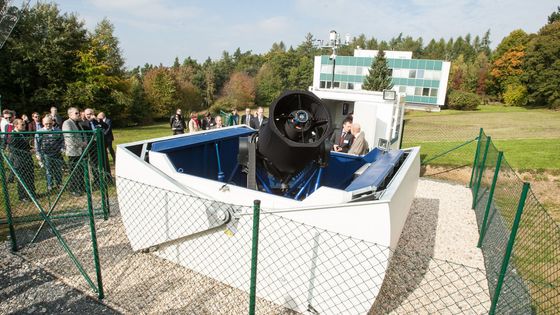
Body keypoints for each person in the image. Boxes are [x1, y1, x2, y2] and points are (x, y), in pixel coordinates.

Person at [9, 119, 36, 201]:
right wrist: (28, 151)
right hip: (19, 160)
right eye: (22, 125)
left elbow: (27, 145)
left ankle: (32, 193)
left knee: (30, 176)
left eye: (24, 124)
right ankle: (23, 196)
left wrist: (31, 149)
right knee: (22, 179)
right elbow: (13, 150)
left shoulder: (24, 133)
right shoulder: (13, 135)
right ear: (16, 125)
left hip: (28, 159)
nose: (24, 126)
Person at [36, 116, 64, 191]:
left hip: (57, 153)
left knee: (58, 169)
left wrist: (62, 148)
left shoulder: (58, 130)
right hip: (46, 154)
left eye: (50, 123)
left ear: (53, 123)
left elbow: (62, 141)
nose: (48, 125)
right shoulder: (39, 132)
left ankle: (59, 184)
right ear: (43, 123)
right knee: (49, 170)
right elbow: (37, 144)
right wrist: (38, 153)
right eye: (46, 124)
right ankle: (50, 185)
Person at [62, 107, 86, 196]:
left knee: (81, 170)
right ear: (70, 114)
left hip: (81, 150)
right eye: (76, 113)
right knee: (74, 171)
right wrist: (81, 144)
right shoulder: (67, 123)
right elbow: (69, 138)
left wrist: (85, 142)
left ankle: (81, 187)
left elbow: (83, 134)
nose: (78, 114)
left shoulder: (78, 123)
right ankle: (74, 189)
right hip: (73, 151)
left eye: (78, 112)